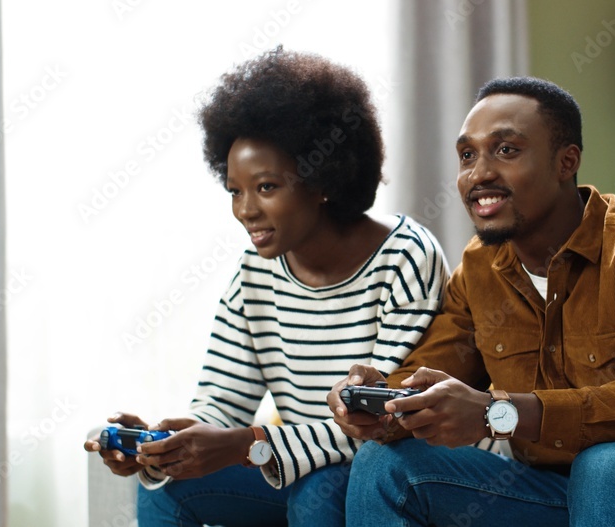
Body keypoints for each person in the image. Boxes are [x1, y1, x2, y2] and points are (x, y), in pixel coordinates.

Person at [328, 76, 615, 526]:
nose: (479, 173)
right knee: (386, 464)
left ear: (565, 162)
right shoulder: (479, 269)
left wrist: (497, 412)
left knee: (610, 465)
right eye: (467, 155)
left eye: (506, 150)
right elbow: (431, 372)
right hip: (565, 499)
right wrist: (386, 404)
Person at [84, 47, 448, 527]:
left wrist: (246, 443)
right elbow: (221, 402)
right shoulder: (254, 272)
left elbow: (386, 420)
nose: (245, 210)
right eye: (235, 190)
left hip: (388, 474)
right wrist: (165, 444)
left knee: (319, 491)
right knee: (169, 490)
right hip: (296, 465)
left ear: (321, 179)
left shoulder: (406, 256)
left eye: (267, 187)